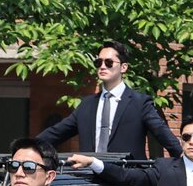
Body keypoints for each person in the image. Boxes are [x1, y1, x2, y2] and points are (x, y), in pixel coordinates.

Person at [39, 41, 182, 160]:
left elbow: (163, 134)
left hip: (128, 184)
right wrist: (25, 148)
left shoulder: (140, 103)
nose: (102, 66)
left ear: (123, 67)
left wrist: (185, 160)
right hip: (91, 183)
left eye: (108, 62)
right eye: (98, 62)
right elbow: (55, 133)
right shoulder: (87, 105)